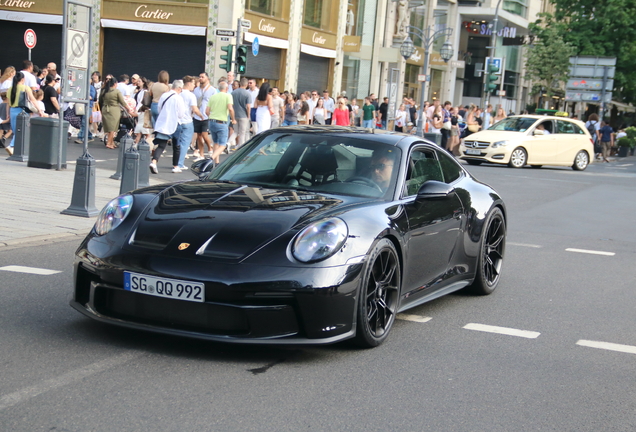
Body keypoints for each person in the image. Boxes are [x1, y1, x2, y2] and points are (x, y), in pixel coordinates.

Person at [150, 80, 186, 174]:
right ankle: (175, 166)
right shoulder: (178, 98)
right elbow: (181, 114)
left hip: (163, 123)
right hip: (174, 123)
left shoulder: (164, 95)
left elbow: (159, 108)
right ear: (179, 88)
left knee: (161, 145)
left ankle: (154, 162)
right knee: (176, 145)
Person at [6, 72, 43, 155]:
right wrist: (39, 110)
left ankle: (13, 147)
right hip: (22, 110)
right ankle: (11, 146)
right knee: (21, 129)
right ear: (22, 79)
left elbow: (8, 104)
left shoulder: (10, 89)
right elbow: (33, 99)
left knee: (16, 130)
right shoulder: (26, 88)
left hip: (12, 110)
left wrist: (7, 114)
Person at [172, 75, 200, 172]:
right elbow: (194, 109)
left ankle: (176, 162)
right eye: (193, 83)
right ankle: (180, 163)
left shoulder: (178, 93)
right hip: (187, 120)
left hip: (177, 121)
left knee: (177, 142)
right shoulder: (191, 95)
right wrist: (202, 116)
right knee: (185, 143)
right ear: (188, 83)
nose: (194, 85)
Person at [206, 81, 236, 165]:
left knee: (216, 142)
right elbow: (230, 108)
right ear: (226, 89)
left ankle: (217, 162)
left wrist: (211, 116)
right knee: (222, 145)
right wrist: (233, 119)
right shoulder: (228, 96)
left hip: (211, 121)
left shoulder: (213, 97)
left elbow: (207, 111)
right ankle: (211, 158)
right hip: (222, 122)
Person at [98, 76, 130, 149]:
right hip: (114, 109)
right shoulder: (116, 91)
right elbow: (122, 102)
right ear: (115, 84)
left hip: (105, 109)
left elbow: (100, 101)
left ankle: (112, 142)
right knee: (113, 127)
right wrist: (128, 109)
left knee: (109, 127)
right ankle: (109, 143)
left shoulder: (103, 91)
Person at [192, 72, 215, 160]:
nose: (200, 78)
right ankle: (201, 154)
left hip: (206, 116)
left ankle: (210, 147)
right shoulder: (196, 90)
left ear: (207, 79)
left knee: (205, 135)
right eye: (200, 77)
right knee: (199, 136)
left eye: (202, 77)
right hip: (197, 115)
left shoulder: (212, 90)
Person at [232, 77, 251, 149]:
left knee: (235, 131)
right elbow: (248, 106)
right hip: (243, 115)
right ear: (246, 84)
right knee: (242, 132)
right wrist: (248, 115)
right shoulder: (247, 94)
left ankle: (228, 143)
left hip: (235, 114)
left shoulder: (233, 93)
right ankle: (241, 146)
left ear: (240, 84)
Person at [76, 75, 97, 143]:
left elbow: (92, 97)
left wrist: (83, 97)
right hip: (83, 106)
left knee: (84, 122)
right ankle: (89, 136)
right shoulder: (82, 87)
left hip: (88, 106)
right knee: (84, 122)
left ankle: (80, 137)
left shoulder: (91, 87)